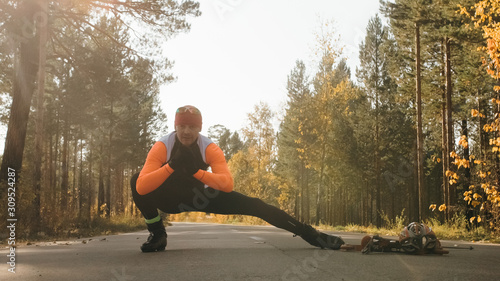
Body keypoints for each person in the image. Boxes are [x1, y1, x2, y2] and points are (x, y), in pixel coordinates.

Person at [130, 105, 345, 252]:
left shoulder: (210, 148)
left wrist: (196, 172)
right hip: (168, 199)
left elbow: (227, 184)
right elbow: (141, 187)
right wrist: (172, 166)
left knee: (256, 205)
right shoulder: (162, 145)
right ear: (175, 126)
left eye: (192, 127)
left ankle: (311, 235)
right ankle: (157, 233)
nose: (186, 131)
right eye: (182, 126)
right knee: (135, 178)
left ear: (200, 128)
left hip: (201, 196)